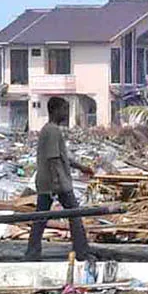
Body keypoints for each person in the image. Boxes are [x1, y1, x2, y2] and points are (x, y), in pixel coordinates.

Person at [25, 96, 95, 261]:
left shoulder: (48, 129)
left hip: (47, 183)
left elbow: (63, 158)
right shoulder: (52, 131)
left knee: (40, 218)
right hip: (56, 183)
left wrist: (81, 167)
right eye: (64, 109)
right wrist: (57, 184)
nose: (65, 113)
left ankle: (32, 252)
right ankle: (81, 252)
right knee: (75, 216)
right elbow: (54, 159)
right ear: (55, 110)